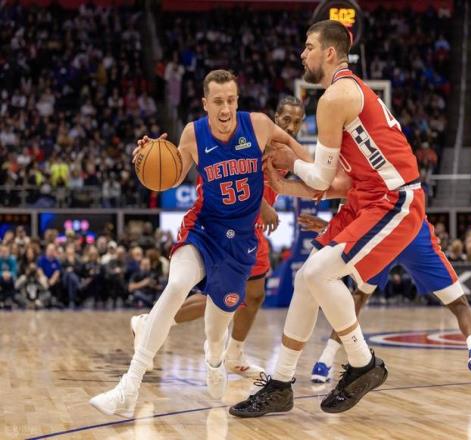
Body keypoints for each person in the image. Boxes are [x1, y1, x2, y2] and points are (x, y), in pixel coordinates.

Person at [230, 20, 427, 418]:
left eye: (309, 47)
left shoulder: (335, 97)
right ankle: (281, 384)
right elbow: (337, 185)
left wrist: (291, 158)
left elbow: (319, 178)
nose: (302, 54)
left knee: (320, 273)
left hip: (395, 199)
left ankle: (363, 362)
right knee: (306, 278)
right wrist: (283, 185)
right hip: (366, 197)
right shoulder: (346, 96)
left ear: (330, 52)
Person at [89, 70, 310, 418]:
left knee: (217, 328)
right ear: (205, 104)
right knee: (177, 284)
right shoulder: (194, 133)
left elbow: (303, 156)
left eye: (231, 100)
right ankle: (128, 387)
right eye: (218, 101)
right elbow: (172, 176)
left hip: (241, 243)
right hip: (203, 228)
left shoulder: (259, 125)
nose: (225, 108)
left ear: (237, 101)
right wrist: (149, 160)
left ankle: (216, 358)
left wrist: (321, 173)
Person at [130, 96, 306, 379]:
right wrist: (263, 206)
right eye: (286, 119)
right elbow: (233, 173)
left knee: (254, 294)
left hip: (250, 229)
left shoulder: (285, 150)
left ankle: (235, 354)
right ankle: (150, 323)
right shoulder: (253, 137)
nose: (291, 126)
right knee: (222, 298)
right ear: (275, 118)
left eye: (297, 122)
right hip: (222, 223)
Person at [293, 200, 471, 388]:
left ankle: (325, 361)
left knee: (359, 296)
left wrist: (329, 225)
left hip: (383, 232)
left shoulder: (356, 177)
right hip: (413, 229)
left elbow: (353, 205)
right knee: (459, 304)